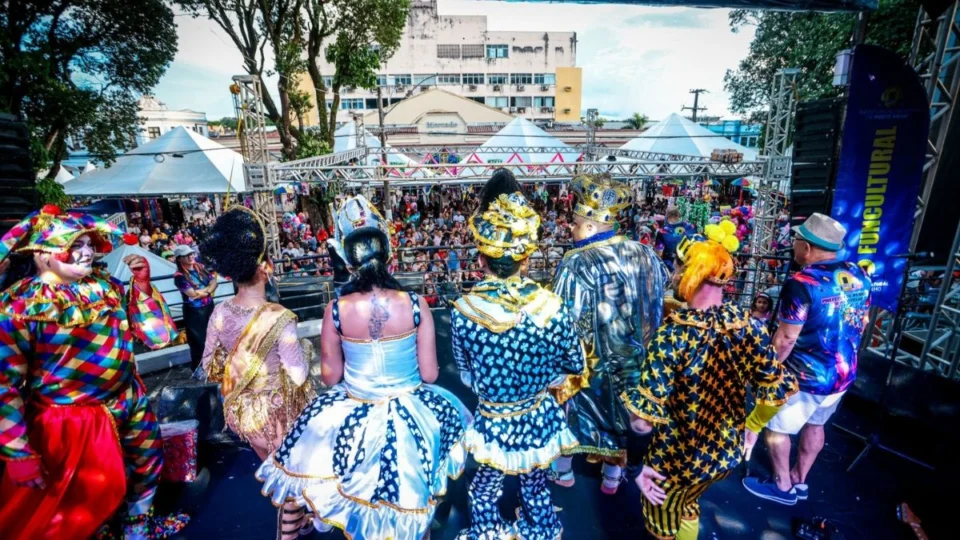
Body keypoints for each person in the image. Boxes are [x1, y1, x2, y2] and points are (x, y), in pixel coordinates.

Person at [257, 195, 471, 540]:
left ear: (345, 256)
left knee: (302, 465)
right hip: (411, 411)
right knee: (412, 499)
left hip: (353, 405)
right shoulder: (416, 305)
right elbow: (430, 374)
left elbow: (330, 376)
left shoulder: (336, 309)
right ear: (387, 252)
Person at [0, 205, 188, 539]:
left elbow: (156, 336)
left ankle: (138, 529)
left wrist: (142, 288)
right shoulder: (19, 306)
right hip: (71, 420)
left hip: (129, 398)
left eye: (89, 243)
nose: (87, 251)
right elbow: (4, 384)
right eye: (76, 245)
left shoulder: (108, 287)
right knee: (83, 494)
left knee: (148, 461)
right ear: (43, 253)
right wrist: (17, 450)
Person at [627, 222, 798, 540]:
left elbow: (642, 421)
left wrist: (636, 465)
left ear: (687, 273)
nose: (674, 274)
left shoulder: (674, 335)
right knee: (688, 505)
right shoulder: (747, 326)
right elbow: (775, 388)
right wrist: (751, 429)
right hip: (723, 454)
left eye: (677, 267)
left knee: (662, 521)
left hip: (676, 460)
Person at [452, 192, 584, 539]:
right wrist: (537, 380)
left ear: (481, 259)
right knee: (536, 485)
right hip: (538, 413)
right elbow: (574, 363)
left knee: (483, 488)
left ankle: (487, 532)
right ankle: (539, 530)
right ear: (526, 259)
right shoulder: (553, 307)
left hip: (493, 418)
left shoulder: (464, 311)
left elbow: (466, 373)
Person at [198, 207, 314, 539]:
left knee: (274, 470)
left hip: (240, 414)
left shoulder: (219, 312)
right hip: (278, 414)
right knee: (290, 477)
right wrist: (302, 352)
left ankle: (300, 520)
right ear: (266, 268)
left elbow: (210, 366)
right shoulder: (280, 317)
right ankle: (288, 531)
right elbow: (298, 374)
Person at [550, 174, 669, 494]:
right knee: (623, 419)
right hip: (636, 359)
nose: (571, 229)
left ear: (589, 226)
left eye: (574, 223)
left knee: (573, 416)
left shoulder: (576, 261)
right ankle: (612, 478)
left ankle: (563, 473)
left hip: (592, 364)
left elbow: (562, 317)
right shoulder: (646, 254)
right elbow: (660, 297)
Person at [743, 213, 871, 505]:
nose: (794, 245)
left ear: (809, 248)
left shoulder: (801, 284)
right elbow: (862, 321)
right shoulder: (858, 273)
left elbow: (786, 338)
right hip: (842, 372)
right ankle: (800, 479)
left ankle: (783, 487)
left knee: (776, 430)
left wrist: (767, 372)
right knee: (816, 426)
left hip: (805, 377)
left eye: (797, 240)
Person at [173, 244, 217, 370]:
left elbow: (214, 282)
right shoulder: (179, 276)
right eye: (186, 255)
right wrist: (208, 290)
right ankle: (199, 368)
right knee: (198, 341)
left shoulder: (201, 268)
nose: (190, 256)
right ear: (179, 259)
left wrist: (204, 292)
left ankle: (214, 365)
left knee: (213, 336)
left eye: (191, 254)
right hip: (194, 312)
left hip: (209, 306)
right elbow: (191, 294)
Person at [655, 207, 698, 272]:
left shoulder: (662, 232)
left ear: (667, 217)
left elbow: (659, 254)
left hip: (671, 269)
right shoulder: (691, 227)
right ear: (678, 215)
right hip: (689, 268)